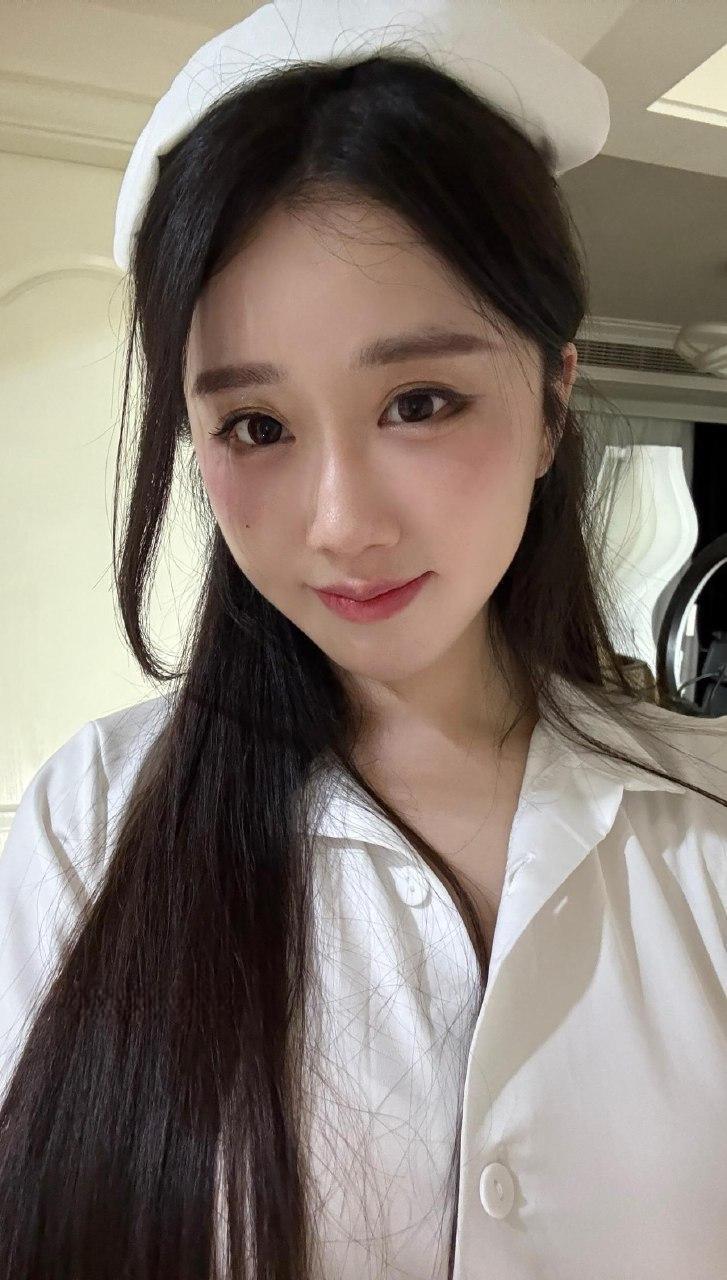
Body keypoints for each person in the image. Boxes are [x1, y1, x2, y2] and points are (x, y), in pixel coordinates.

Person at [1, 4, 726, 1278]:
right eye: (257, 427)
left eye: (419, 401)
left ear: (551, 400)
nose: (341, 525)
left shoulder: (706, 817)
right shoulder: (88, 825)